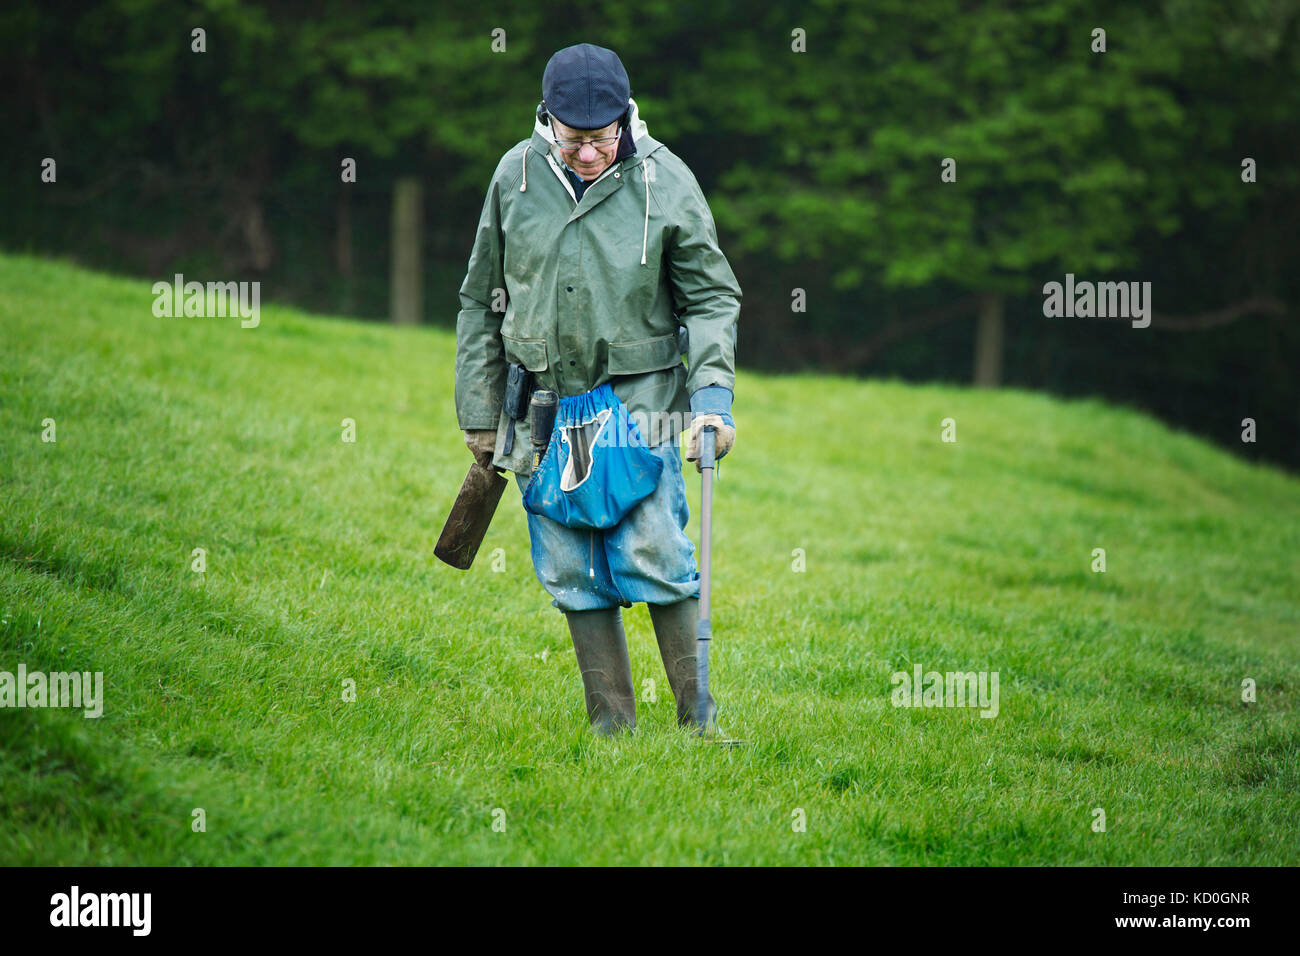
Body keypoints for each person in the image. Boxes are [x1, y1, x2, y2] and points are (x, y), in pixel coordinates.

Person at [454, 43, 741, 736]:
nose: (589, 154)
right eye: (575, 139)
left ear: (626, 119)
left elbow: (709, 300)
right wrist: (480, 411)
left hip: (636, 409)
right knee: (571, 569)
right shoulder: (513, 175)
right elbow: (478, 301)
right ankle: (611, 730)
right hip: (540, 409)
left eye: (602, 139)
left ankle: (697, 726)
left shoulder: (667, 180)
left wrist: (712, 402)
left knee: (656, 555)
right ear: (546, 120)